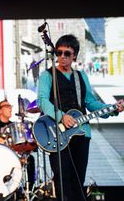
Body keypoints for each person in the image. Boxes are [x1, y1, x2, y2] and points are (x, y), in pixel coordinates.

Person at [37, 34, 124, 201]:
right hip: (57, 134)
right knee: (62, 180)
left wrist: (112, 108)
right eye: (59, 52)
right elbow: (42, 101)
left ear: (74, 55)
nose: (62, 56)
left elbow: (90, 102)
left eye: (67, 53)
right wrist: (61, 116)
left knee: (78, 181)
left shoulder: (81, 76)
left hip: (82, 133)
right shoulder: (47, 75)